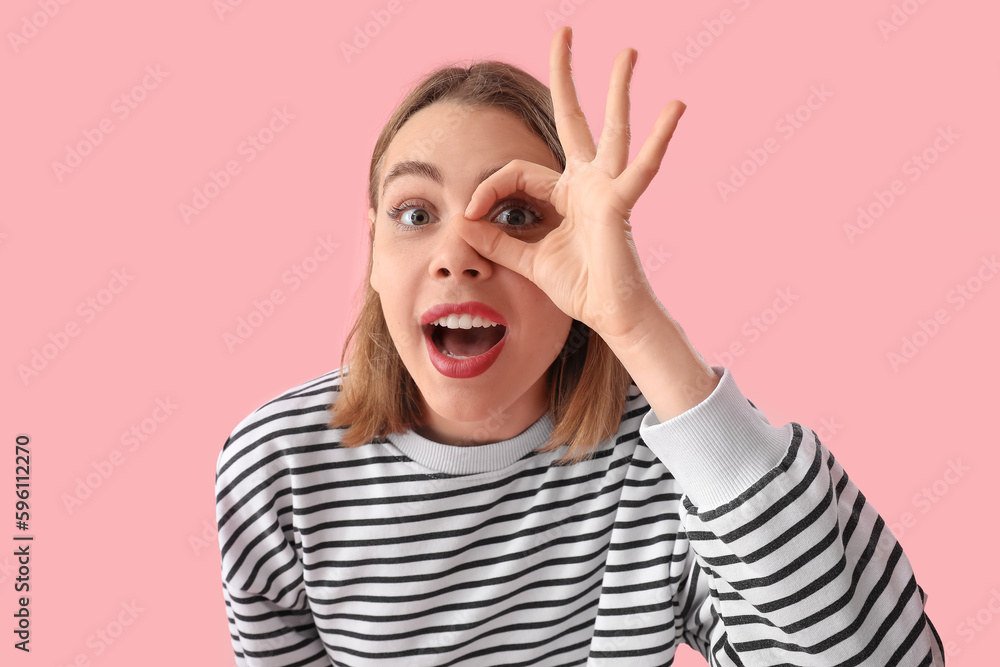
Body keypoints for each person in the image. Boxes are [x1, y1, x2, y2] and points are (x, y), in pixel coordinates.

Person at [215, 26, 945, 666]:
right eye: (414, 212)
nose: (459, 254)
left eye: (517, 214)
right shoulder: (276, 467)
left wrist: (635, 323)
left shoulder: (655, 467)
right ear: (374, 252)